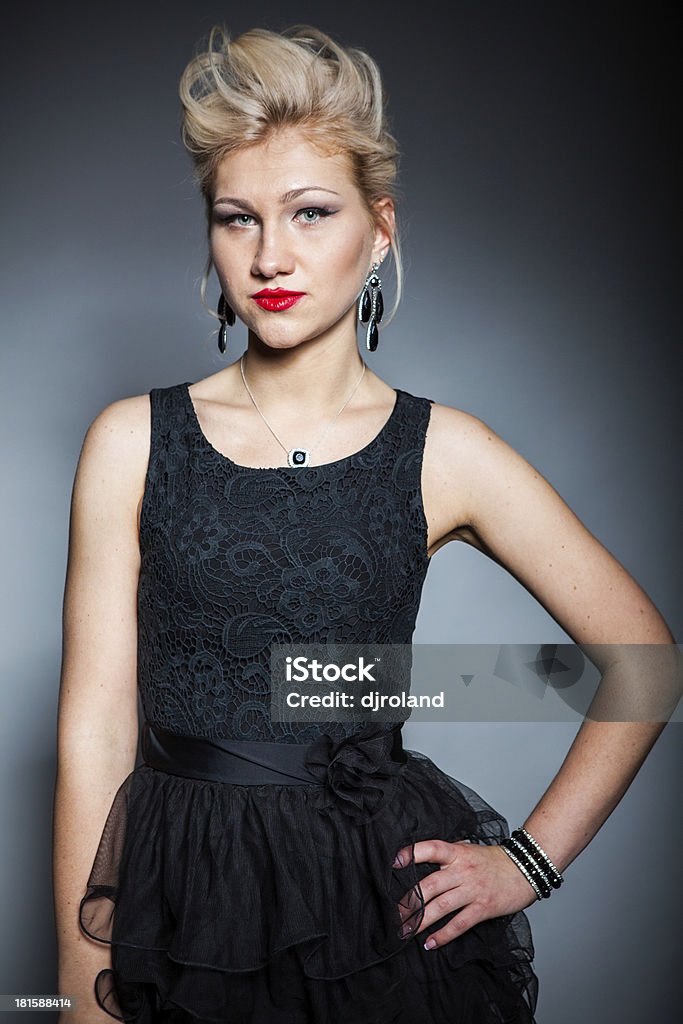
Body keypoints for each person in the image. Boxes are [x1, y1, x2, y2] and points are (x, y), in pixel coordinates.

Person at [53, 22, 677, 1024]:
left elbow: (642, 660)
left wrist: (526, 859)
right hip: (178, 899)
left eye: (309, 213)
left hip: (370, 912)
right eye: (236, 219)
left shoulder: (447, 451)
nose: (269, 255)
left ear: (378, 228)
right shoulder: (131, 440)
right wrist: (81, 984)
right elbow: (93, 727)